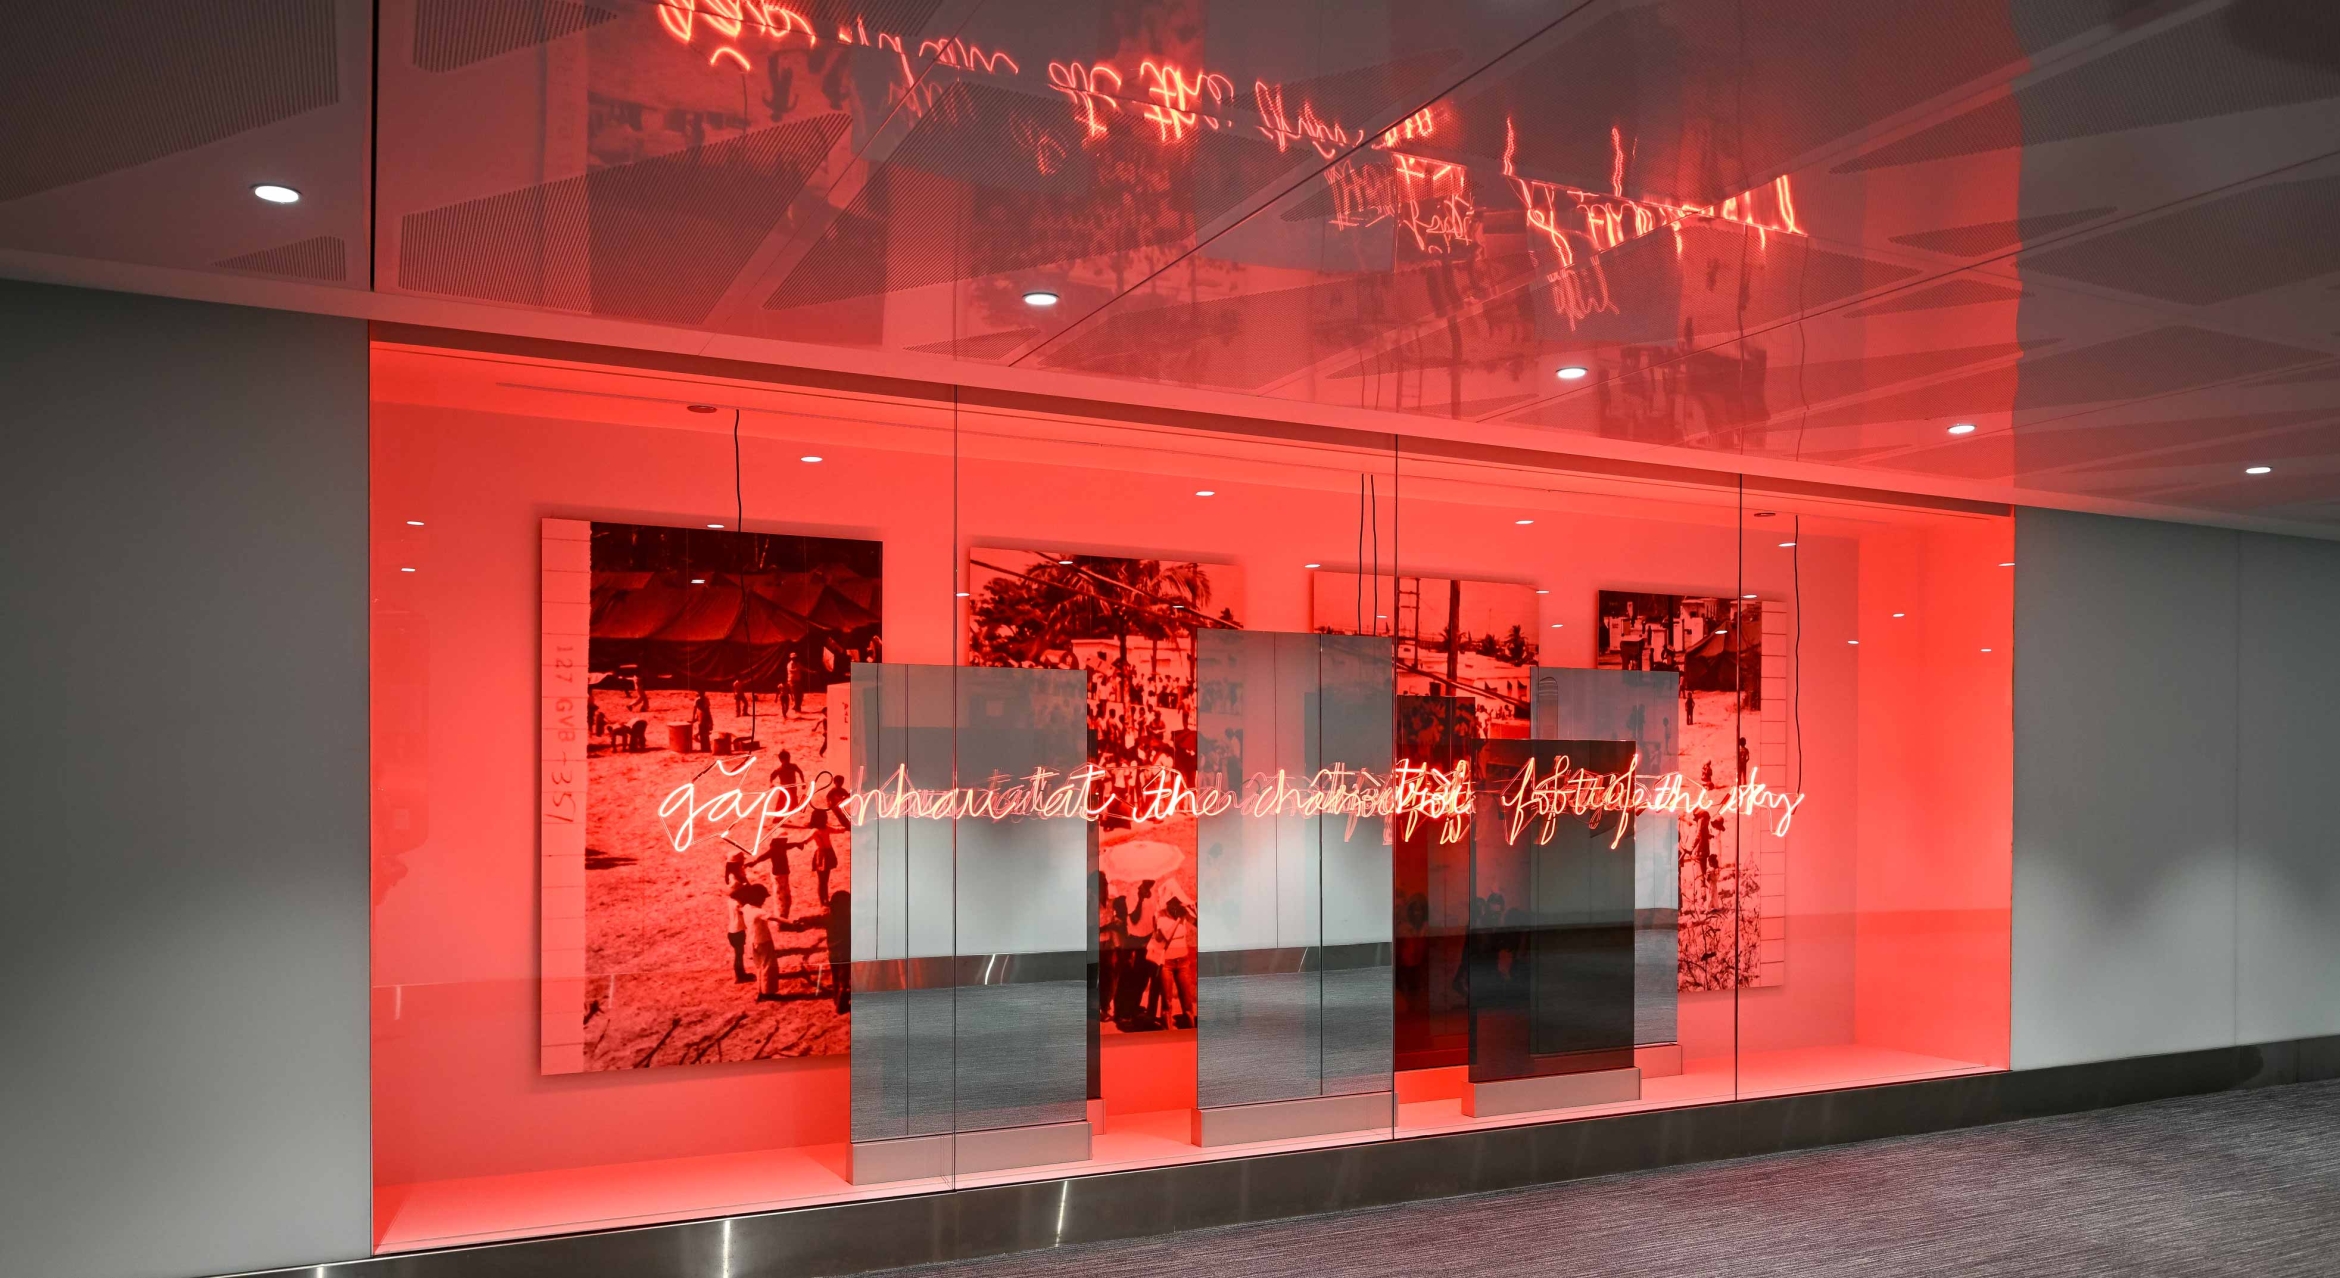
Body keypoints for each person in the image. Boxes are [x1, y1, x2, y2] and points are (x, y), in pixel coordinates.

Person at [1154, 896, 1196, 1030]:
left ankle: (1190, 1031)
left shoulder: (1182, 914)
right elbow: (1166, 936)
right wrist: (1178, 919)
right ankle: (1168, 1033)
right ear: (1168, 903)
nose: (1176, 906)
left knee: (1187, 1002)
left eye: (1178, 903)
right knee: (1167, 1003)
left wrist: (1193, 911)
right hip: (1166, 963)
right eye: (1174, 903)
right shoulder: (1160, 915)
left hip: (1183, 962)